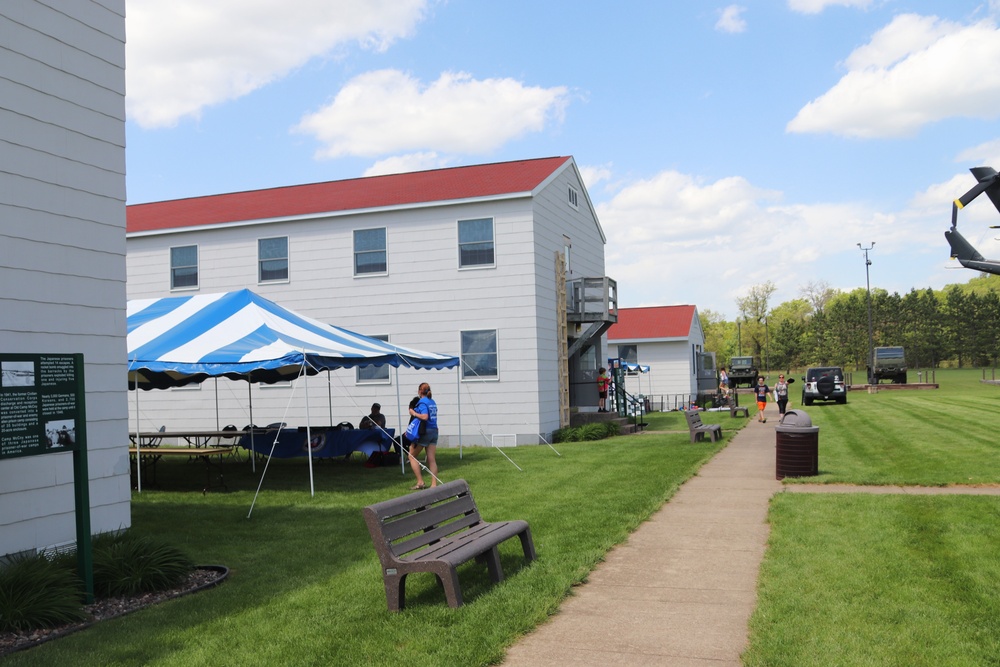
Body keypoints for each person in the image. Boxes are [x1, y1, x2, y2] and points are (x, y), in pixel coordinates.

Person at [407, 382, 439, 490]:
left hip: (425, 431)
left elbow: (425, 416)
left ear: (420, 391)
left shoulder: (422, 402)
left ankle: (420, 482)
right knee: (431, 459)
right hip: (434, 431)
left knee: (411, 456)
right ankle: (434, 485)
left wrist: (413, 413)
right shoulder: (432, 401)